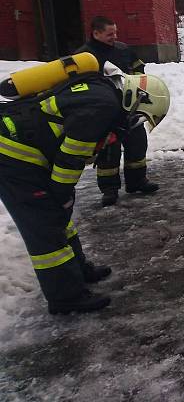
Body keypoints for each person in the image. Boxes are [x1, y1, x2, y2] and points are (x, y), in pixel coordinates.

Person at [0, 67, 170, 314]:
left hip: (28, 150)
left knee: (59, 214)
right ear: (138, 98)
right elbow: (71, 159)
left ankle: (78, 271)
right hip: (12, 157)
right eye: (140, 115)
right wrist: (61, 194)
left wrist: (63, 197)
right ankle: (66, 298)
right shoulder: (102, 109)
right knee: (45, 225)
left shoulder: (102, 92)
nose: (136, 121)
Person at [76, 16, 156, 205]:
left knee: (137, 144)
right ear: (96, 33)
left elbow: (139, 68)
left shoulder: (123, 49)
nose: (114, 36)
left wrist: (137, 82)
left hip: (130, 106)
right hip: (104, 112)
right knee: (108, 151)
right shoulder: (84, 56)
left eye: (115, 32)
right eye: (109, 33)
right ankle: (109, 190)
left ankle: (137, 181)